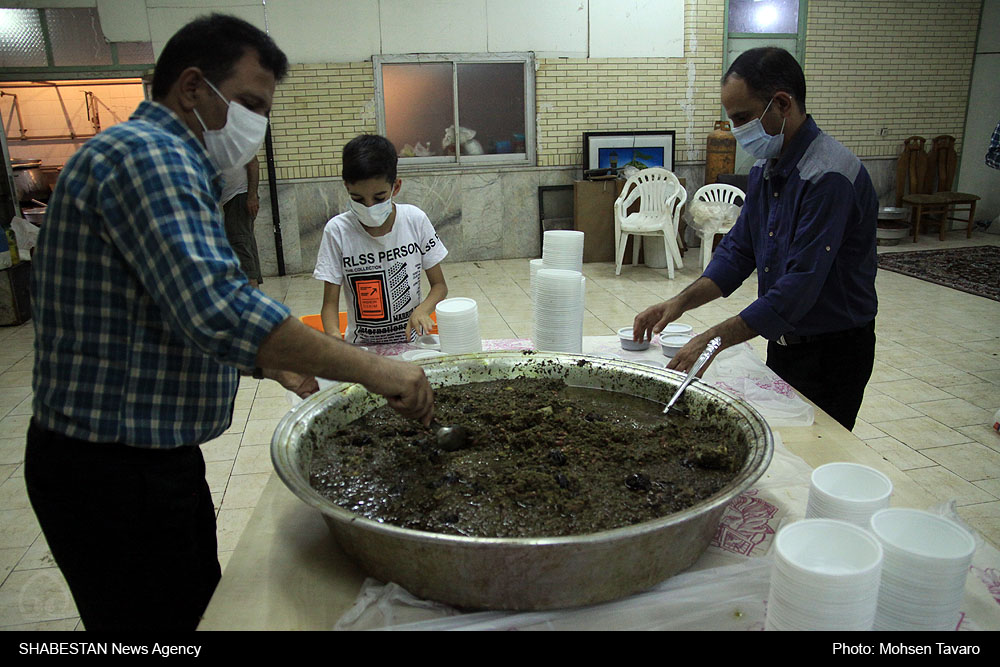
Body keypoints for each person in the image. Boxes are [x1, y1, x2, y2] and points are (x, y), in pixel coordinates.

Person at [25, 14, 433, 632]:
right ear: (192, 87)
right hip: (109, 469)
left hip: (140, 455)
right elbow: (219, 304)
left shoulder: (156, 157)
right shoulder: (151, 156)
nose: (255, 124)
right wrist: (380, 372)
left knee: (192, 613)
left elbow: (168, 302)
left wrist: (266, 357)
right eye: (247, 103)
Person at [633, 46, 878, 431]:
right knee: (779, 442)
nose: (737, 131)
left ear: (782, 104)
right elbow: (737, 252)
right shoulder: (768, 167)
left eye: (743, 118)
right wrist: (678, 303)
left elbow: (799, 287)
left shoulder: (829, 177)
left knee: (815, 453)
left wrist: (713, 338)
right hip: (784, 342)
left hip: (833, 352)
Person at [314, 134, 449, 344]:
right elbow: (330, 304)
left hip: (410, 344)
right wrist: (333, 339)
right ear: (347, 188)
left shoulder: (415, 220)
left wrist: (423, 310)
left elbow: (439, 285)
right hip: (361, 348)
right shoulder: (338, 231)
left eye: (379, 198)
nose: (369, 207)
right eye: (358, 199)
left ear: (396, 187)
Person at [221, 155, 262, 287]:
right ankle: (255, 290)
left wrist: (252, 196)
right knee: (246, 243)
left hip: (239, 197)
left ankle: (251, 292)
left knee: (241, 244)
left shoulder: (234, 139)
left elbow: (253, 163)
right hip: (233, 199)